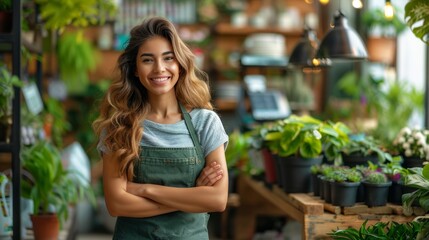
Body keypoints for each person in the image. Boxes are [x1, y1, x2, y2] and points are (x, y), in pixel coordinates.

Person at [92, 16, 229, 239]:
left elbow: (217, 200)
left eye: (168, 58)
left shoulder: (205, 123)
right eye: (147, 60)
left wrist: (143, 189)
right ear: (135, 69)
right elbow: (117, 204)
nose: (159, 68)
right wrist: (192, 196)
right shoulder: (119, 127)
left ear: (180, 64)